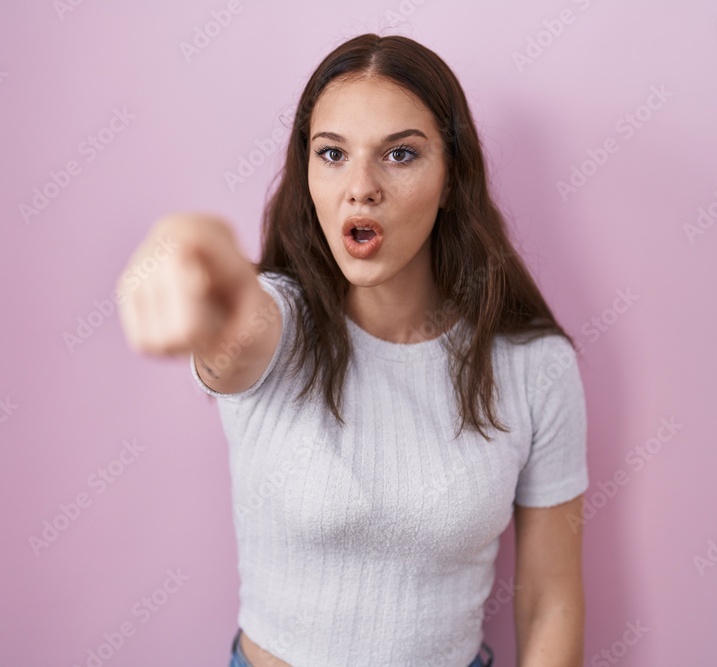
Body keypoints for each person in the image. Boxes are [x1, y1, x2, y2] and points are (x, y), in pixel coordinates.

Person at [117, 32, 588, 667]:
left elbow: (551, 601)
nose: (361, 186)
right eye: (333, 154)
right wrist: (184, 244)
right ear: (307, 171)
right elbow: (229, 313)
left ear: (452, 177)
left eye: (400, 154)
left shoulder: (535, 366)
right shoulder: (279, 323)